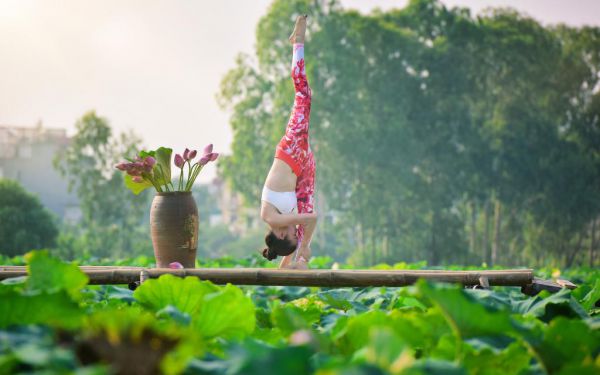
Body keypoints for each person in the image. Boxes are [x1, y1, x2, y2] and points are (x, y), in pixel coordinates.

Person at [260, 15, 317, 269]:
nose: (293, 229)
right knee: (304, 217)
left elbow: (311, 217)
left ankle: (298, 43)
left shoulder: (270, 216)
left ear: (281, 233)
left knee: (303, 94)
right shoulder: (284, 227)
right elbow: (303, 222)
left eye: (290, 233)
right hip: (303, 168)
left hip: (291, 149)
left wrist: (303, 246)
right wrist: (288, 263)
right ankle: (298, 259)